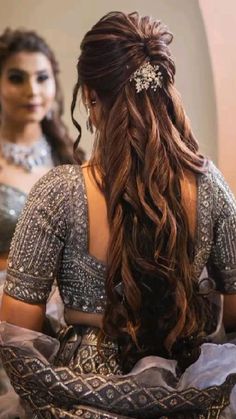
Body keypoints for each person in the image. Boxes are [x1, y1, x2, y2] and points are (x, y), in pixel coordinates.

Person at [0, 11, 236, 418]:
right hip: (186, 391)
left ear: (90, 95)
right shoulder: (210, 185)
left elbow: (15, 332)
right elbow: (233, 313)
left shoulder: (59, 192)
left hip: (78, 391)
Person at [0, 27, 85, 418]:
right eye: (17, 77)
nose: (32, 90)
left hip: (66, 314)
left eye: (42, 77)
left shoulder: (69, 156)